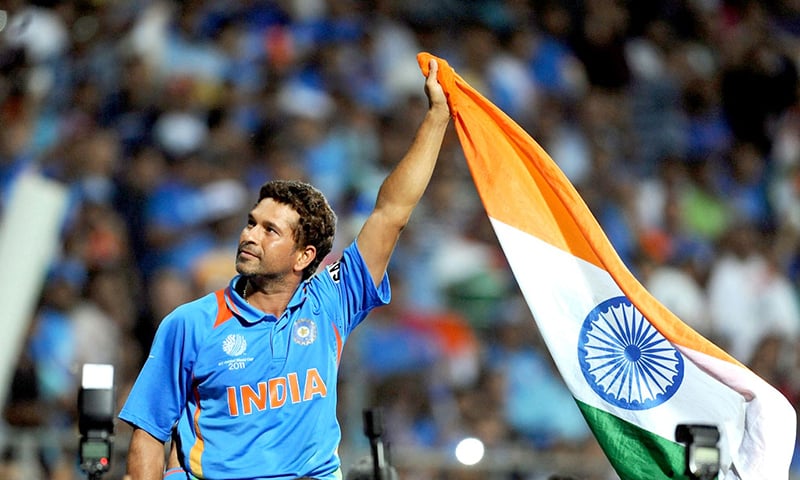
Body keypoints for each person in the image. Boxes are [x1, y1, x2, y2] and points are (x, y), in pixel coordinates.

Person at [118, 58, 450, 480]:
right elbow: (149, 431)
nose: (249, 235)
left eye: (270, 230)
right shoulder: (190, 324)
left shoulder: (331, 301)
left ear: (303, 256)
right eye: (251, 222)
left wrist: (437, 119)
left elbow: (391, 213)